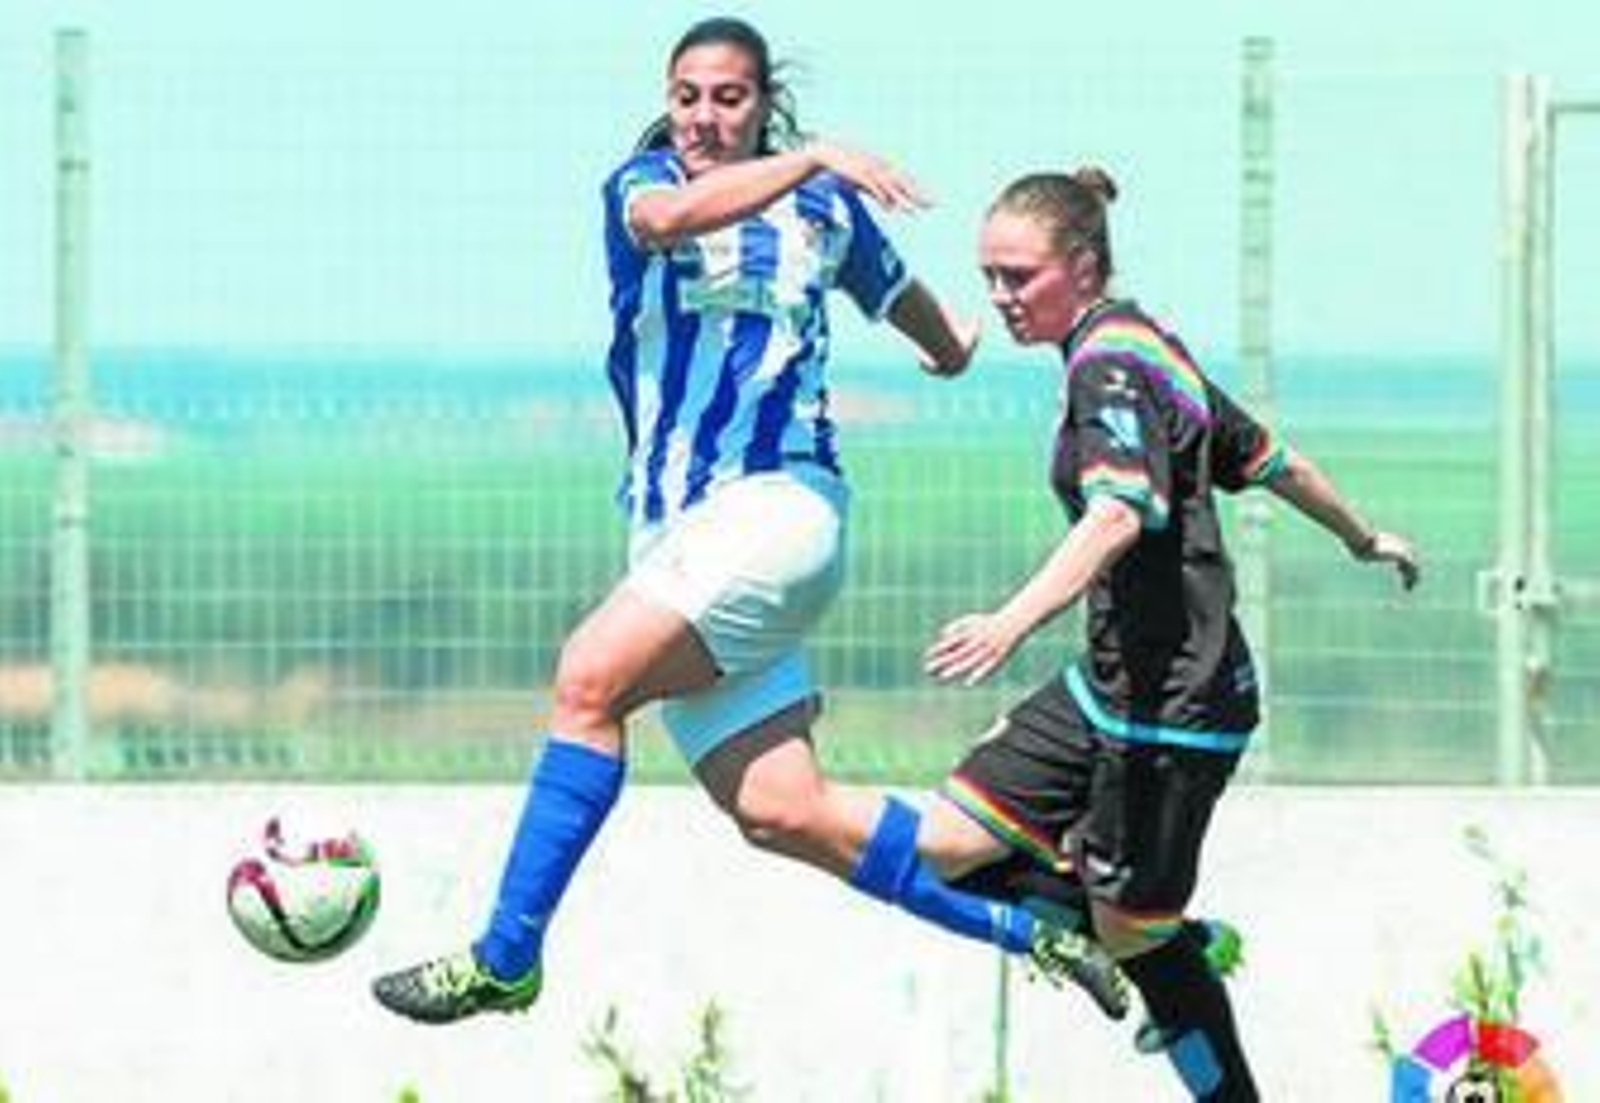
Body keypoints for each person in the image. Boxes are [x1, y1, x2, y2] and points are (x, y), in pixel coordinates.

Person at [372, 17, 1127, 1026]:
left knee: (586, 678)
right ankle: (1038, 924)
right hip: (684, 537)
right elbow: (668, 222)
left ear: (762, 102)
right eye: (688, 94)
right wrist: (813, 162)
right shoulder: (641, 184)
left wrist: (952, 339)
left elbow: (929, 324)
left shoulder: (825, 210)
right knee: (781, 811)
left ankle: (507, 954)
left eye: (729, 96)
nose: (703, 115)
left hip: (777, 510)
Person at [908, 167, 1421, 1100]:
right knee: (944, 842)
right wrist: (1362, 535)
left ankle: (1169, 964)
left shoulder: (1111, 364)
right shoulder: (1153, 346)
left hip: (1182, 701)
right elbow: (1277, 462)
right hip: (1108, 684)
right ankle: (1137, 926)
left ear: (1083, 264)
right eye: (989, 275)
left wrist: (1009, 622)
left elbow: (1114, 517)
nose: (1000, 297)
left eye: (1018, 276)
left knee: (1134, 936)